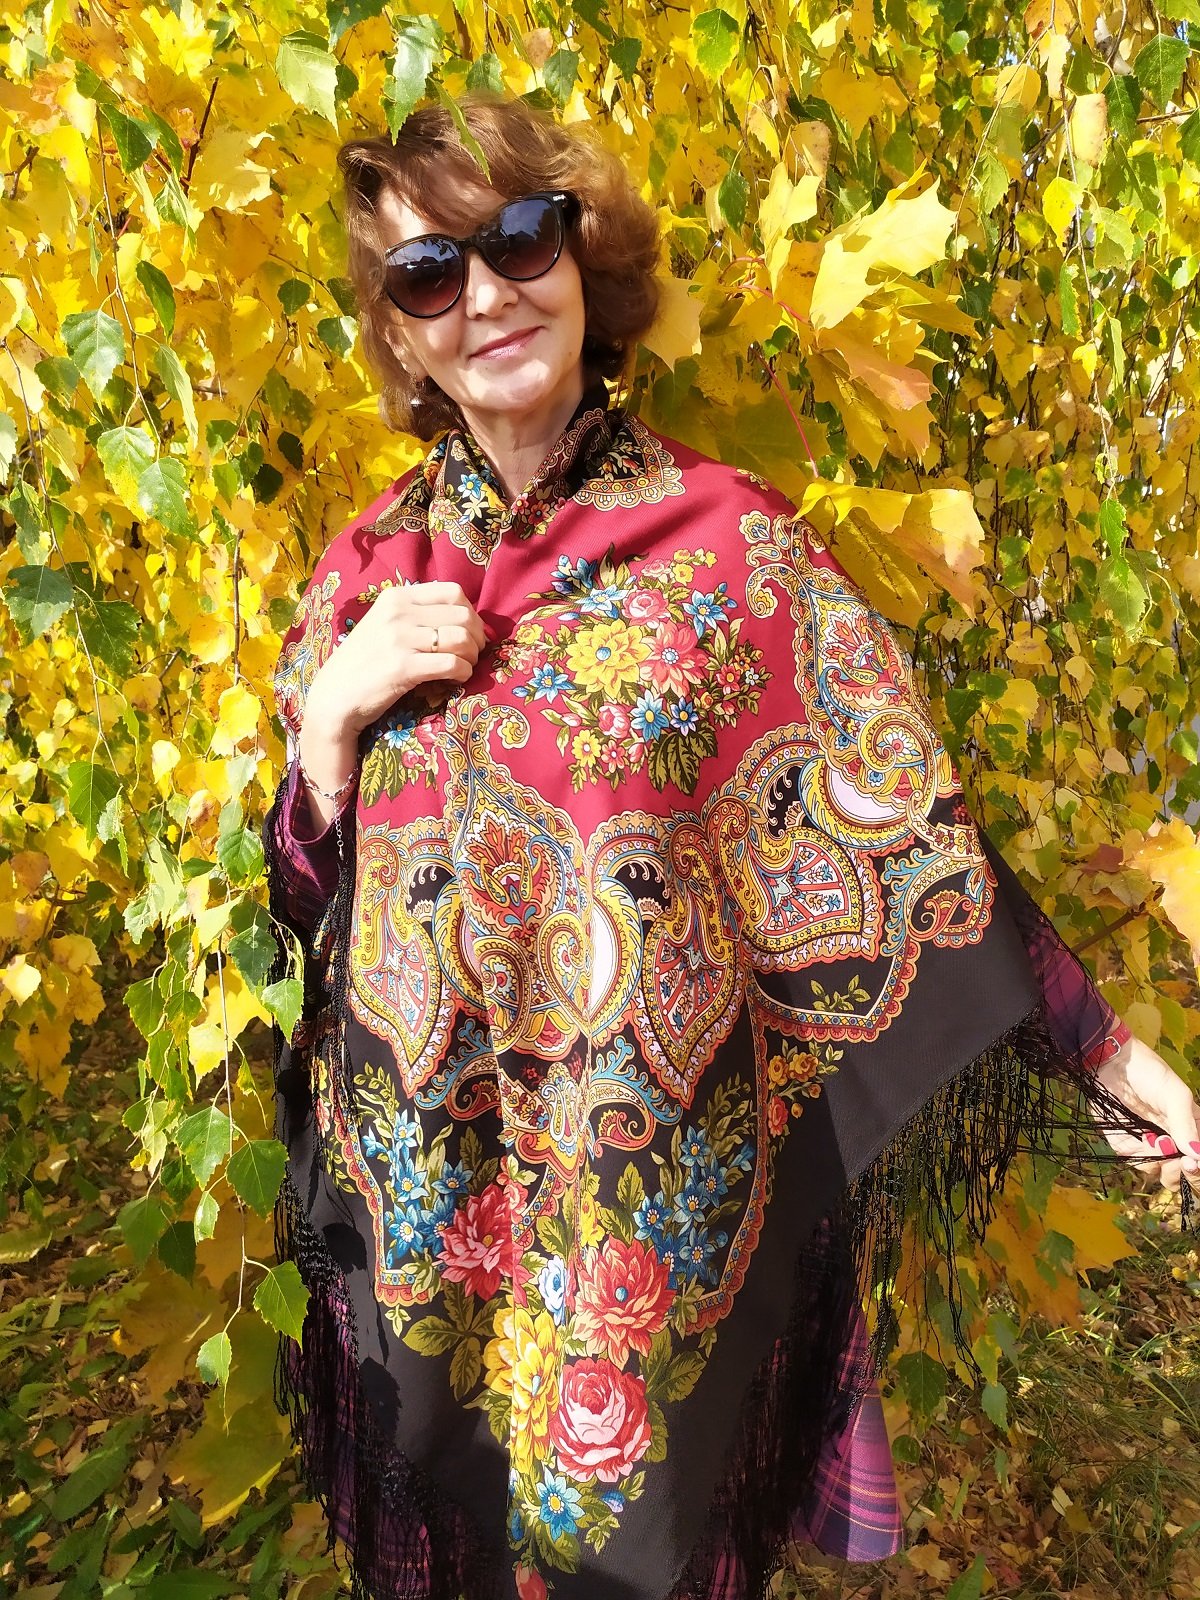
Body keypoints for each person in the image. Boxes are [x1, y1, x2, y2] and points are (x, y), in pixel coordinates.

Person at [264, 95, 1200, 1600]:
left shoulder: (732, 548)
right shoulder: (365, 575)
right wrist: (332, 718)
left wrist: (1110, 1060)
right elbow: (302, 906)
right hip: (428, 1222)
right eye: (430, 273)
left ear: (582, 257)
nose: (486, 295)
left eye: (518, 240)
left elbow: (905, 841)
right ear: (399, 332)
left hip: (647, 1230)